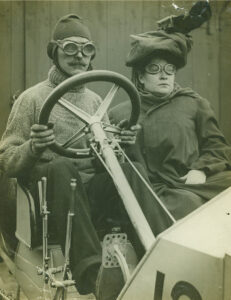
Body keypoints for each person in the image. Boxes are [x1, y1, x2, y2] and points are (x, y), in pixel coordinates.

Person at [0, 14, 172, 300]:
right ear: (54, 51)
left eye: (87, 49)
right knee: (61, 165)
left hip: (86, 195)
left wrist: (117, 144)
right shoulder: (31, 99)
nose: (79, 56)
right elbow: (5, 160)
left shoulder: (95, 101)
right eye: (70, 48)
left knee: (131, 168)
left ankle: (161, 249)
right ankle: (92, 274)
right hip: (47, 198)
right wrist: (33, 147)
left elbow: (99, 159)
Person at [110, 28, 231, 221]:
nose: (164, 75)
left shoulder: (194, 103)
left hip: (196, 181)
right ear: (141, 77)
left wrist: (200, 169)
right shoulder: (121, 113)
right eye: (154, 69)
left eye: (169, 69)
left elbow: (217, 147)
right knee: (187, 205)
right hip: (154, 190)